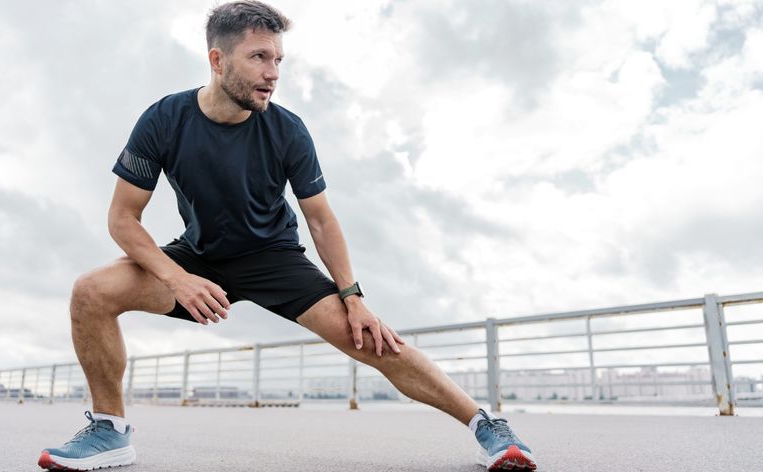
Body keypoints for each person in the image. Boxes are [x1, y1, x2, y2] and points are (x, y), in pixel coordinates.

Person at [37, 1, 537, 471]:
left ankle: (488, 427)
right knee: (91, 292)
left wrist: (353, 296)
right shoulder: (164, 119)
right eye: (259, 57)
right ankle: (110, 431)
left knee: (374, 341)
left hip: (274, 256)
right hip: (199, 257)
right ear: (217, 59)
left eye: (278, 59)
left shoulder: (288, 130)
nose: (273, 73)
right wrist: (178, 279)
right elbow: (123, 218)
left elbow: (321, 219)